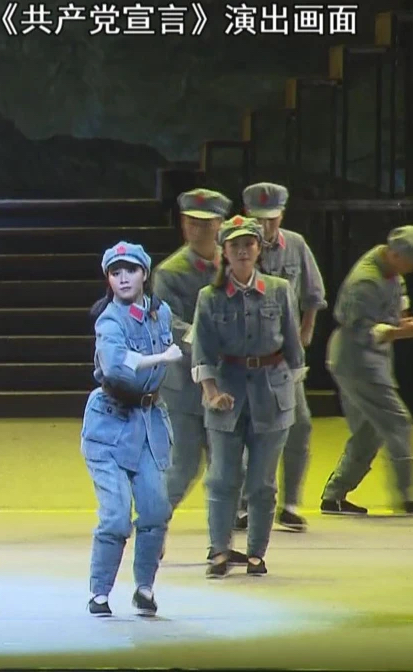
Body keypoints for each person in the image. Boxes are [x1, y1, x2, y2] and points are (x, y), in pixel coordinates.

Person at [191, 216, 304, 578]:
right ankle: (219, 550)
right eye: (235, 245)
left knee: (262, 482)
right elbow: (202, 352)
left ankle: (256, 552)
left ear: (259, 249)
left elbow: (293, 347)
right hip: (227, 393)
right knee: (222, 478)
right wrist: (212, 393)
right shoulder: (210, 297)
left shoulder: (279, 290)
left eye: (249, 244)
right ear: (224, 251)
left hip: (272, 393)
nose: (242, 251)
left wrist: (291, 394)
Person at [82, 241, 181, 617]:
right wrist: (161, 357)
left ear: (145, 274)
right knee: (116, 516)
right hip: (110, 424)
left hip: (150, 422)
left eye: (131, 270)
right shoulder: (109, 320)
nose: (123, 278)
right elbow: (115, 366)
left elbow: (178, 338)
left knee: (155, 510)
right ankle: (100, 592)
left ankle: (144, 587)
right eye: (115, 272)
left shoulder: (161, 312)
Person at [320, 226, 413, 516]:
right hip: (357, 361)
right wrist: (401, 332)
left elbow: (398, 299)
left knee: (370, 431)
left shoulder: (391, 270)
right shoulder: (365, 281)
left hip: (368, 360)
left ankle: (334, 495)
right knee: (397, 422)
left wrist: (402, 320)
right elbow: (361, 330)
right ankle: (408, 496)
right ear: (396, 254)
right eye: (411, 262)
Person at [152, 188, 249, 564]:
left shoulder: (233, 267)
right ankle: (153, 529)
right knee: (183, 466)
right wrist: (210, 339)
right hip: (185, 387)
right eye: (191, 223)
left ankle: (220, 544)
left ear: (220, 226)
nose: (197, 230)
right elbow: (168, 324)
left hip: (227, 383)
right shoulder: (171, 272)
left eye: (206, 224)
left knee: (229, 468)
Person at [240, 183, 327, 532]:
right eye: (259, 219)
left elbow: (314, 294)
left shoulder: (296, 245)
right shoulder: (236, 245)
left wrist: (306, 331)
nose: (265, 227)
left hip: (283, 354)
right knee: (247, 428)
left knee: (299, 424)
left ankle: (290, 503)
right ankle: (244, 503)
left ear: (282, 216)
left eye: (272, 219)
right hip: (244, 353)